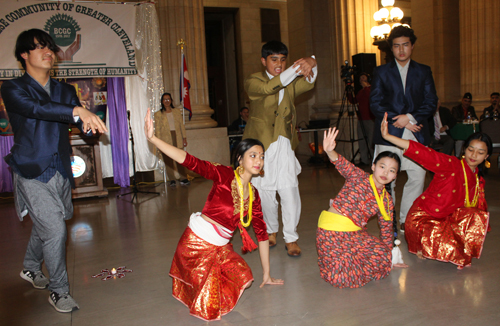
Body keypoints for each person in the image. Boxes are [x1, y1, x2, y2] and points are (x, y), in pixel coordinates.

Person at [1, 29, 107, 312]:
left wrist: (88, 127)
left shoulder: (65, 90)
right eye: (40, 48)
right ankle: (59, 291)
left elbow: (73, 124)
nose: (49, 53)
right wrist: (76, 112)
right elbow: (35, 108)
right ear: (24, 54)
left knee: (49, 224)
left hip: (60, 167)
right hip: (30, 168)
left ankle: (30, 266)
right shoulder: (13, 88)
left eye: (50, 48)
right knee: (56, 229)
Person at [144, 108, 283, 321]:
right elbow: (190, 161)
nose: (259, 161)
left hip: (221, 248)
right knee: (210, 310)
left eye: (261, 157)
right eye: (253, 155)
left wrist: (267, 274)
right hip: (196, 245)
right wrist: (154, 139)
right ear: (240, 159)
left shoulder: (254, 194)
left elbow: (261, 233)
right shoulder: (224, 174)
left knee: (244, 276)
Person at [380, 112, 491, 269]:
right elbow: (425, 153)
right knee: (452, 248)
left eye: (480, 152)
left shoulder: (478, 179)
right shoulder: (452, 165)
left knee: (477, 215)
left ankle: (441, 245)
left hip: (448, 220)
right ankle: (422, 244)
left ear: (486, 157)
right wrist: (388, 136)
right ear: (464, 149)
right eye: (471, 149)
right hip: (424, 220)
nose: (474, 155)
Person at [243, 40, 317, 256]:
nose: (279, 64)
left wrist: (311, 61)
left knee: (289, 190)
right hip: (261, 145)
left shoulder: (292, 81)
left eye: (283, 60)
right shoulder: (253, 80)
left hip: (284, 142)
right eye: (274, 59)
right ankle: (270, 231)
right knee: (264, 191)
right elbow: (269, 87)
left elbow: (310, 83)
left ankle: (291, 237)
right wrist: (297, 68)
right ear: (263, 60)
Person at [316, 127, 406, 289]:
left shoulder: (387, 201)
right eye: (382, 166)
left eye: (392, 170)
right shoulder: (358, 176)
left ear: (395, 176)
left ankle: (350, 262)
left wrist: (389, 256)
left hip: (354, 235)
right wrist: (330, 151)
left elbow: (386, 231)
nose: (385, 172)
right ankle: (340, 265)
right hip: (331, 233)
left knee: (381, 256)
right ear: (373, 166)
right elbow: (341, 164)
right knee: (344, 278)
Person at [370, 25, 438, 232]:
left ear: (412, 46)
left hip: (416, 132)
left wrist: (409, 118)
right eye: (397, 46)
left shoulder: (423, 71)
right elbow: (375, 103)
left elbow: (431, 101)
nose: (401, 50)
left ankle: (407, 219)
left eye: (405, 45)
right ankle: (388, 221)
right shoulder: (381, 72)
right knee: (386, 180)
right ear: (391, 49)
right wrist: (397, 119)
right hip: (388, 134)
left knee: (417, 177)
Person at [154, 93, 190, 187]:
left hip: (177, 136)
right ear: (162, 101)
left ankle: (183, 178)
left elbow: (181, 125)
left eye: (168, 99)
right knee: (168, 161)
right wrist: (158, 142)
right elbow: (157, 129)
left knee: (180, 159)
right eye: (165, 99)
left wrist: (184, 138)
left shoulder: (177, 111)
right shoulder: (158, 114)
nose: (167, 101)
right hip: (165, 139)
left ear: (171, 100)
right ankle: (172, 179)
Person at [348, 73, 374, 165]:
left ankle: (374, 160)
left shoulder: (371, 89)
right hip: (361, 119)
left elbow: (369, 97)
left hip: (370, 118)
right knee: (361, 139)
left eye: (363, 77)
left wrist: (366, 87)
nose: (361, 79)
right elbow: (354, 101)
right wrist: (349, 92)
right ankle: (364, 159)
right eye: (360, 78)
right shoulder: (361, 91)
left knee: (371, 140)